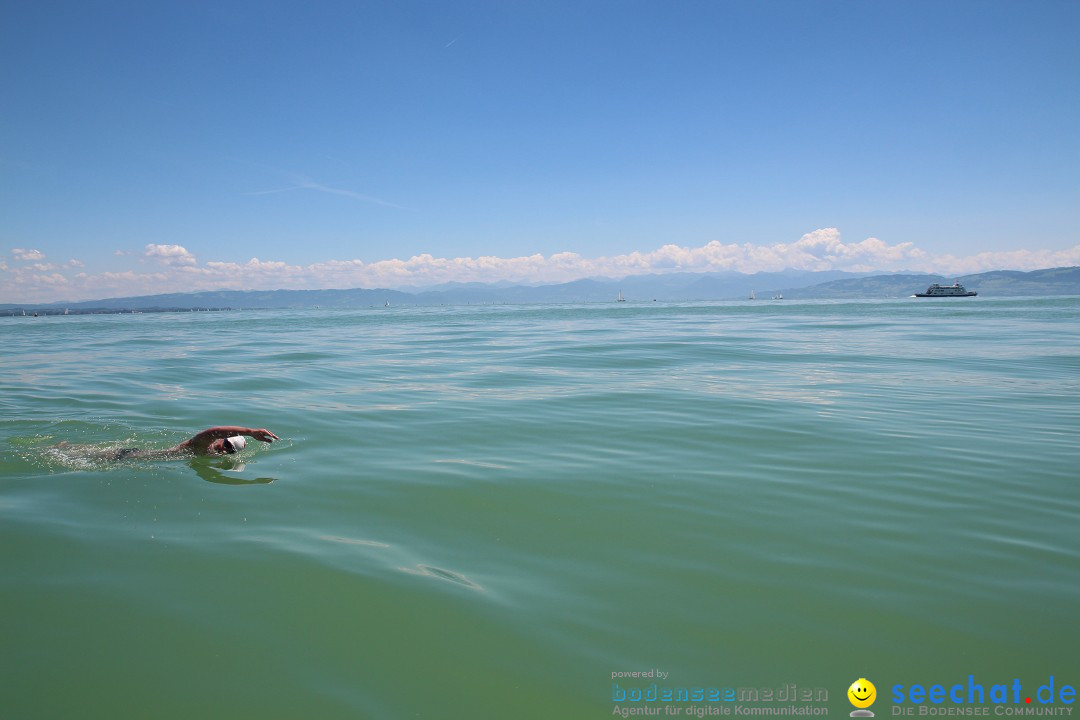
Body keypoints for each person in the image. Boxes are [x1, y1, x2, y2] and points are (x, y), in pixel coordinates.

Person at [53, 426, 280, 461]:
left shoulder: (211, 456)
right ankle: (63, 447)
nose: (224, 449)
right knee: (83, 455)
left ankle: (66, 448)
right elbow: (213, 430)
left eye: (230, 451)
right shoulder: (202, 446)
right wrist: (250, 432)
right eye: (227, 444)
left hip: (135, 458)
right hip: (130, 456)